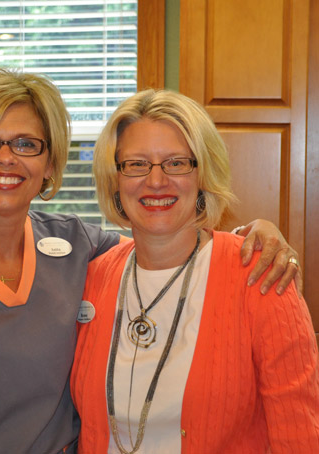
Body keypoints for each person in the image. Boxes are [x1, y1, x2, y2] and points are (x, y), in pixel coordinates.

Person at [0, 69, 303, 454]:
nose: (6, 157)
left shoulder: (78, 248)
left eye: (27, 143)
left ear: (49, 164)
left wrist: (256, 234)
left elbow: (169, 242)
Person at [70, 89, 319, 453]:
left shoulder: (262, 276)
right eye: (137, 164)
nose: (156, 181)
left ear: (204, 173)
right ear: (115, 179)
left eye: (176, 162)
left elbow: (299, 436)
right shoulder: (90, 279)